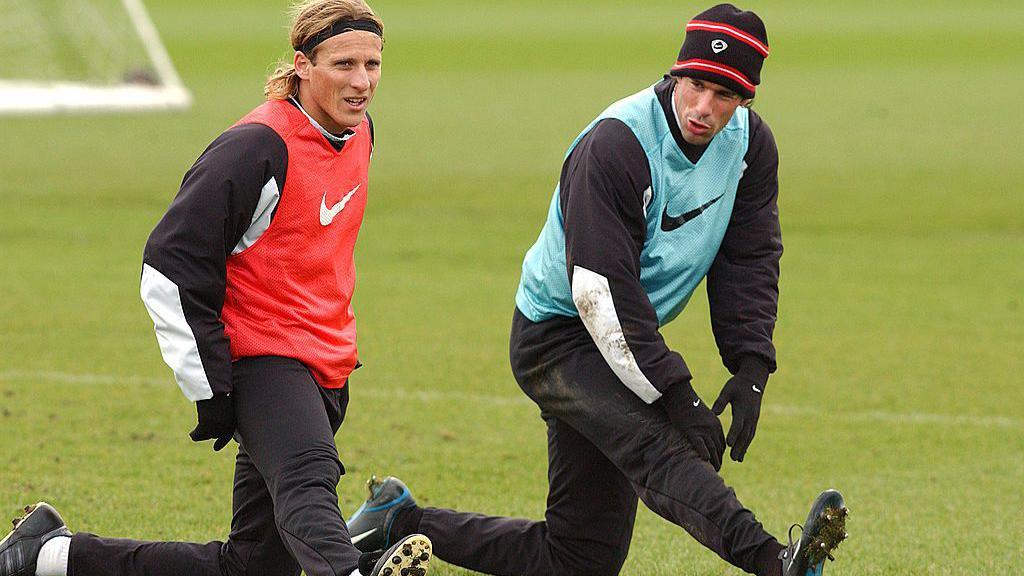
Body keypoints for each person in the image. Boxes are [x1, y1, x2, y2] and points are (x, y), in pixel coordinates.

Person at [344, 4, 847, 576]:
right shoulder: (617, 146)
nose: (704, 108)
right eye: (696, 84)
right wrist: (678, 396)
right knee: (658, 446)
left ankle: (398, 522)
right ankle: (776, 562)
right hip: (558, 336)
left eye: (725, 94)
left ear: (746, 99)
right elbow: (600, 295)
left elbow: (750, 258)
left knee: (579, 559)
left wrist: (752, 364)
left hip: (624, 334)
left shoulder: (751, 147)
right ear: (676, 73)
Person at [0, 2, 432, 576]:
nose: (361, 81)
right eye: (343, 63)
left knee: (253, 566)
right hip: (263, 360)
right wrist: (209, 383)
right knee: (308, 477)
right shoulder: (255, 148)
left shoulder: (359, 134)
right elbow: (169, 264)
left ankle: (49, 555)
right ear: (302, 64)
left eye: (372, 64)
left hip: (327, 362)